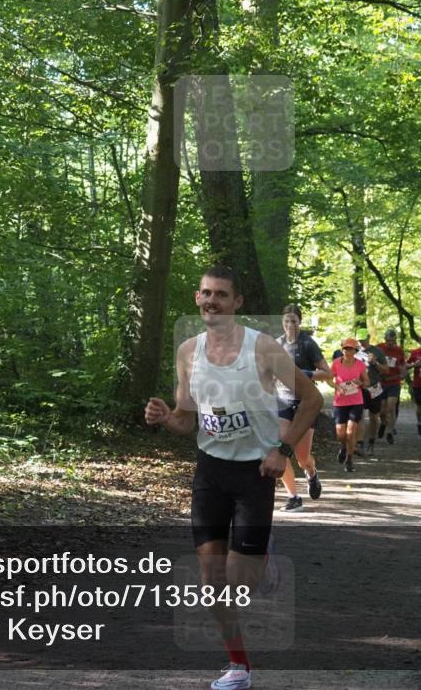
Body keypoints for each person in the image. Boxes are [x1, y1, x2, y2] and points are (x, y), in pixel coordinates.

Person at [145, 265, 322, 690]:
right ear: (196, 298)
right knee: (211, 582)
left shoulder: (262, 349)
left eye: (221, 295)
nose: (212, 301)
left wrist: (282, 452)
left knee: (241, 581)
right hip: (210, 471)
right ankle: (239, 667)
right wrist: (167, 418)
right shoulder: (188, 351)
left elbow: (312, 399)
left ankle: (262, 557)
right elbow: (188, 421)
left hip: (255, 472)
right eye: (206, 293)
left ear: (237, 302)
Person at [276, 304, 329, 512]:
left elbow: (328, 373)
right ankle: (293, 497)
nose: (290, 325)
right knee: (281, 448)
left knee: (302, 458)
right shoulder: (276, 344)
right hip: (282, 402)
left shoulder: (308, 344)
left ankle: (312, 472)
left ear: (300, 322)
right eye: (286, 321)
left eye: (294, 321)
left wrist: (305, 374)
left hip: (305, 404)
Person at [329, 338, 368, 472]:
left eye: (350, 348)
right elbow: (328, 378)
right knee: (341, 434)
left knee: (351, 432)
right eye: (345, 348)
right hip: (340, 402)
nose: (348, 351)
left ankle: (349, 460)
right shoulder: (335, 363)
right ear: (342, 350)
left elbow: (367, 382)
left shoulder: (360, 365)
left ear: (355, 350)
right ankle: (343, 447)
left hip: (356, 402)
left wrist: (360, 383)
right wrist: (337, 387)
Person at [354, 328, 387, 455]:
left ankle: (371, 442)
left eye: (364, 339)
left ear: (369, 337)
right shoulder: (354, 352)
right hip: (359, 388)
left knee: (374, 416)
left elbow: (386, 370)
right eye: (359, 340)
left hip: (374, 388)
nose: (361, 342)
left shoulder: (377, 351)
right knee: (360, 415)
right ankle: (360, 443)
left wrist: (375, 363)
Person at [376, 328, 406, 444]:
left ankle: (389, 431)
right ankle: (383, 423)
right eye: (389, 341)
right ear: (385, 339)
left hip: (394, 383)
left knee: (391, 408)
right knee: (382, 411)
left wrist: (403, 372)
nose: (391, 343)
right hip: (381, 383)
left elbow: (402, 365)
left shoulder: (399, 351)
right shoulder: (379, 348)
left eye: (393, 341)